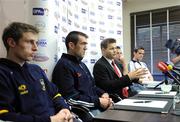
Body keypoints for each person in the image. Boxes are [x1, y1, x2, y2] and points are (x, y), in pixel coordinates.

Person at [0, 22, 73, 122]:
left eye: (36, 43)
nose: (36, 48)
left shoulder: (36, 69)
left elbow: (55, 94)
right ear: (12, 42)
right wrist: (50, 120)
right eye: (30, 42)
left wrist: (64, 109)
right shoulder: (2, 73)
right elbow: (5, 116)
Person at [52, 31, 112, 116]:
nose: (86, 48)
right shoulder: (63, 66)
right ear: (71, 45)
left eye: (86, 44)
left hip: (94, 106)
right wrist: (98, 102)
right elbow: (70, 99)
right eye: (83, 44)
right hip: (83, 112)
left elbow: (92, 87)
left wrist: (103, 94)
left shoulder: (81, 64)